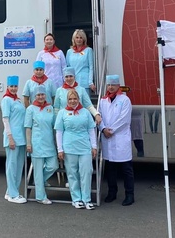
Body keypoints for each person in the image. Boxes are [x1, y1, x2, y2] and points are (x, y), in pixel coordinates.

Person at [55, 89, 97, 210]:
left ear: (78, 99)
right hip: (69, 147)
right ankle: (76, 199)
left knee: (86, 172)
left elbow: (91, 130)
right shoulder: (62, 113)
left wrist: (94, 146)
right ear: (67, 100)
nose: (73, 101)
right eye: (70, 99)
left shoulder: (86, 112)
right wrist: (60, 149)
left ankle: (86, 199)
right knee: (72, 173)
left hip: (84, 147)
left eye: (75, 99)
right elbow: (59, 132)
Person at [99, 74, 135, 206]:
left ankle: (129, 195)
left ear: (118, 85)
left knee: (126, 169)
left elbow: (124, 119)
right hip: (107, 137)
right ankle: (112, 192)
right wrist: (103, 129)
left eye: (113, 85)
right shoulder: (103, 101)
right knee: (110, 169)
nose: (110, 87)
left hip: (120, 138)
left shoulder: (124, 100)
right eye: (108, 85)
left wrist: (111, 130)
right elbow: (99, 116)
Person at [25, 85, 58, 205]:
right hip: (37, 143)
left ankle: (40, 181)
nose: (40, 97)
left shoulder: (50, 108)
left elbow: (54, 126)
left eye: (42, 94)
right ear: (35, 96)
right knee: (38, 170)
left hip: (49, 142)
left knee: (53, 165)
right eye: (38, 95)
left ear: (46, 95)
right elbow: (28, 127)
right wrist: (29, 144)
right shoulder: (30, 109)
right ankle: (40, 196)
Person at [1, 75, 27, 204]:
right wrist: (10, 137)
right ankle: (13, 195)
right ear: (7, 87)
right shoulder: (6, 100)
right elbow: (5, 119)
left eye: (15, 86)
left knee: (19, 166)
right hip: (12, 138)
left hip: (21, 138)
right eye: (11, 86)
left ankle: (11, 191)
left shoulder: (18, 100)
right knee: (11, 166)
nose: (13, 88)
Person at [65, 29, 95, 98]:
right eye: (77, 37)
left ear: (84, 39)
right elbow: (67, 67)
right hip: (72, 82)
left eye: (81, 38)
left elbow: (91, 67)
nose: (79, 39)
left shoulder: (88, 50)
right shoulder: (69, 51)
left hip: (84, 82)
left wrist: (90, 82)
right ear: (74, 39)